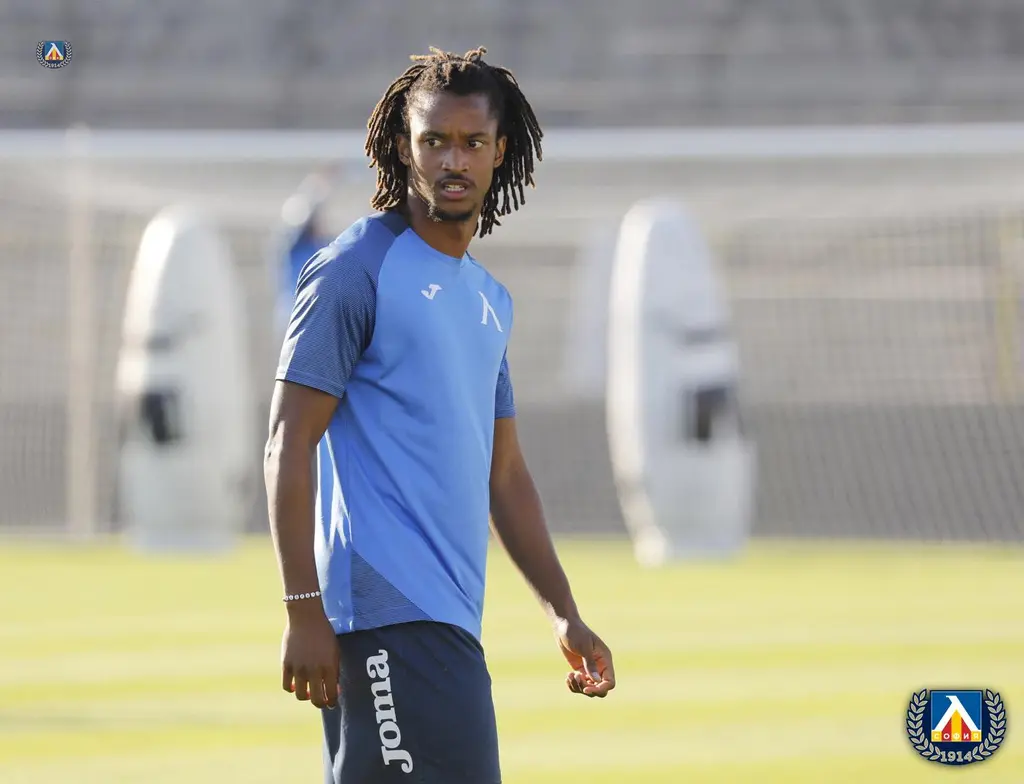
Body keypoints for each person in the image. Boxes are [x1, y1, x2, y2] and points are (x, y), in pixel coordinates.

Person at [264, 46, 616, 783]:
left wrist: (563, 611)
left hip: (449, 624)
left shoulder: (488, 299)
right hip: (382, 618)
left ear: (500, 151)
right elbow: (287, 443)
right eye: (435, 141)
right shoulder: (354, 271)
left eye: (472, 142)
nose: (454, 160)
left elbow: (506, 474)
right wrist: (302, 608)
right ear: (403, 147)